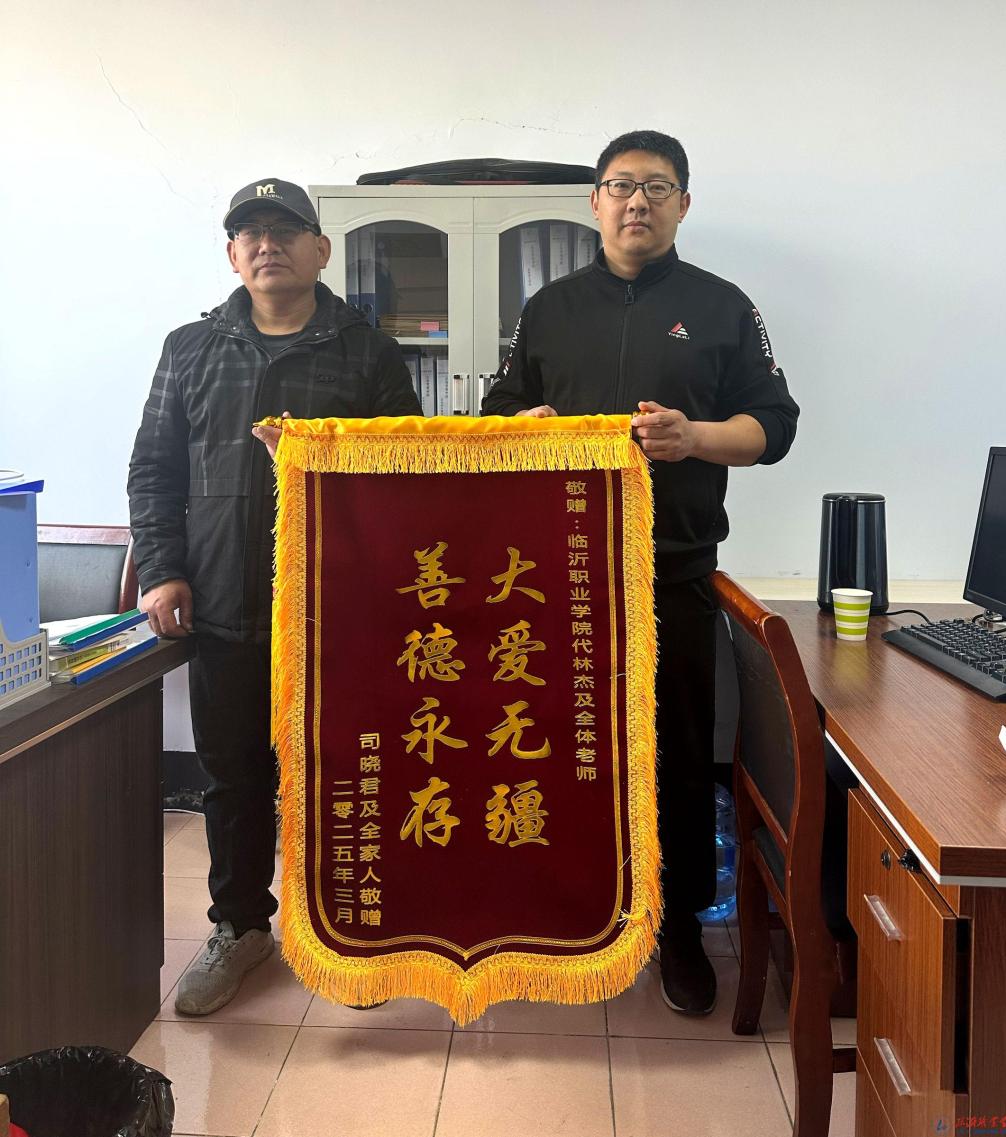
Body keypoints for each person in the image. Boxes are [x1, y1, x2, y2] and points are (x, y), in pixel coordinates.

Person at [482, 130, 799, 1015]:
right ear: (594, 202)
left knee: (675, 757)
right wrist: (524, 429)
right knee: (550, 747)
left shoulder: (722, 306)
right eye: (621, 185)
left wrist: (694, 437)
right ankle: (559, 911)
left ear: (683, 205)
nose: (637, 202)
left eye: (657, 187)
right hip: (553, 581)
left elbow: (774, 427)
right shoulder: (548, 308)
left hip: (673, 574)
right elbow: (495, 414)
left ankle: (678, 929)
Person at [128, 178, 421, 1015]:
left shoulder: (366, 351)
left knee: (344, 772)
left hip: (339, 613)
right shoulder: (191, 348)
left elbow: (407, 472)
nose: (267, 245)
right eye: (250, 233)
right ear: (232, 255)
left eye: (285, 231)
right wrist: (163, 568)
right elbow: (153, 469)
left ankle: (348, 928)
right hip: (222, 605)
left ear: (320, 249)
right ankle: (241, 926)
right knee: (232, 779)